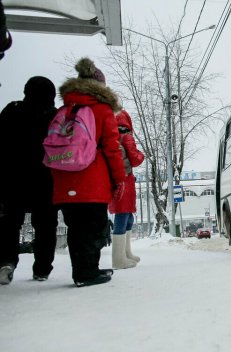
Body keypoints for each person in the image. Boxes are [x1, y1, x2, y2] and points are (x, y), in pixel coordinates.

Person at [50, 58, 126, 287]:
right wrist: (119, 178)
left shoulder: (65, 109)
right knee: (93, 226)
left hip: (64, 176)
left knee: (76, 227)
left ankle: (83, 271)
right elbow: (112, 148)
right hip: (92, 180)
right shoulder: (102, 110)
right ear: (100, 87)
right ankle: (87, 272)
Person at [0, 77, 59, 285]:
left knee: (9, 223)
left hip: (11, 179)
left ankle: (6, 262)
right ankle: (42, 268)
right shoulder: (53, 116)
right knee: (46, 224)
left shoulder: (11, 111)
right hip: (45, 179)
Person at [108, 109, 144, 269]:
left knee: (127, 217)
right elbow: (135, 159)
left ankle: (126, 253)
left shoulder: (111, 138)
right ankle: (118, 259)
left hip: (116, 181)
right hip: (125, 181)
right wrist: (142, 155)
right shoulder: (126, 137)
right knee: (122, 217)